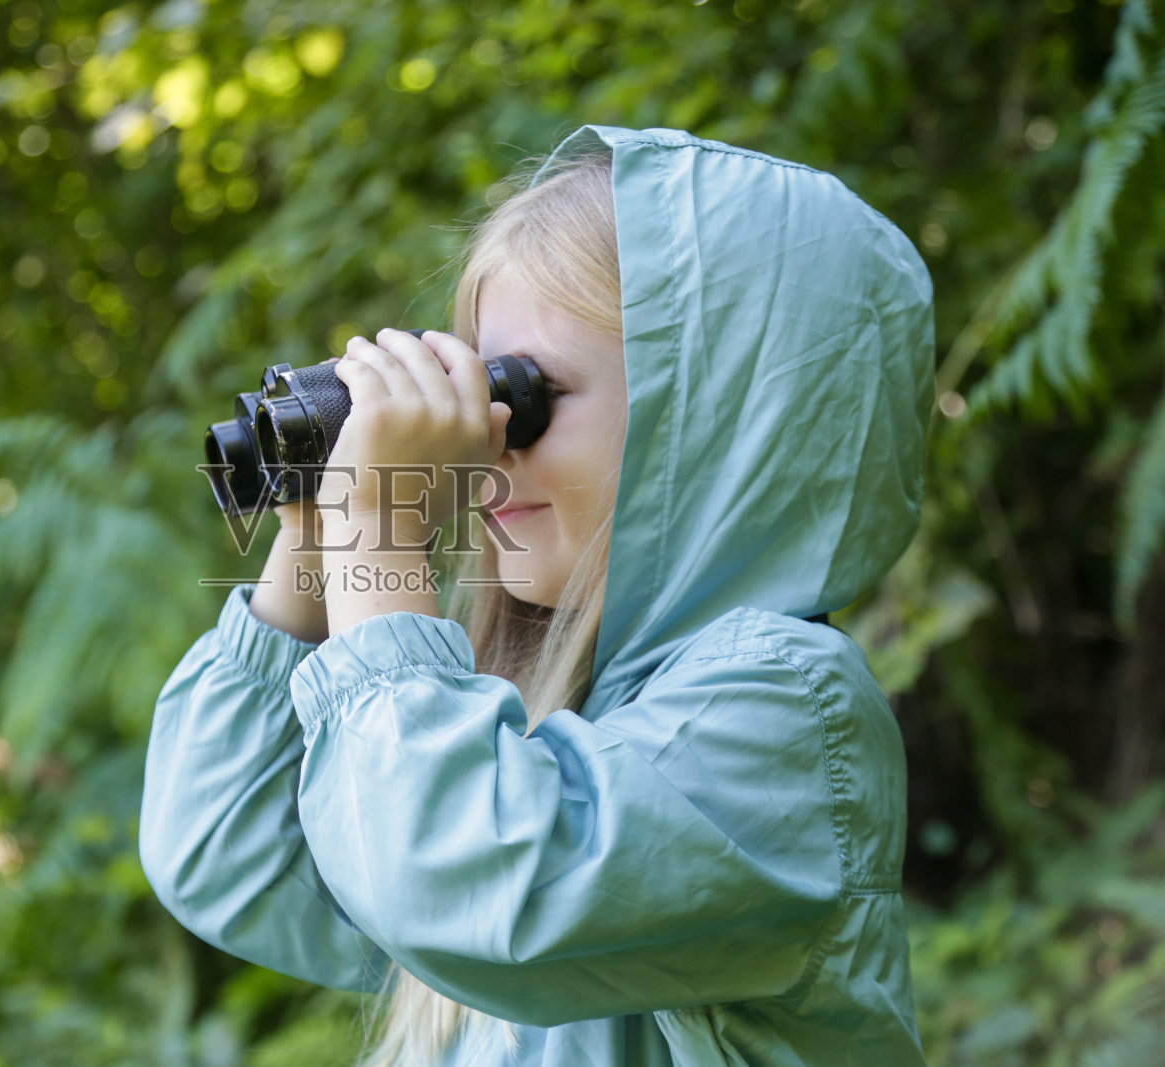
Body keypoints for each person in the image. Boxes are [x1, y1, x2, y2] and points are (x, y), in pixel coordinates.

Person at [139, 124, 935, 1066]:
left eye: (528, 394)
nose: (487, 441)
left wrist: (378, 536)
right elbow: (226, 853)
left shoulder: (786, 717)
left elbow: (452, 874)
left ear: (723, 419)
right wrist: (321, 535)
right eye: (474, 395)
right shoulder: (516, 718)